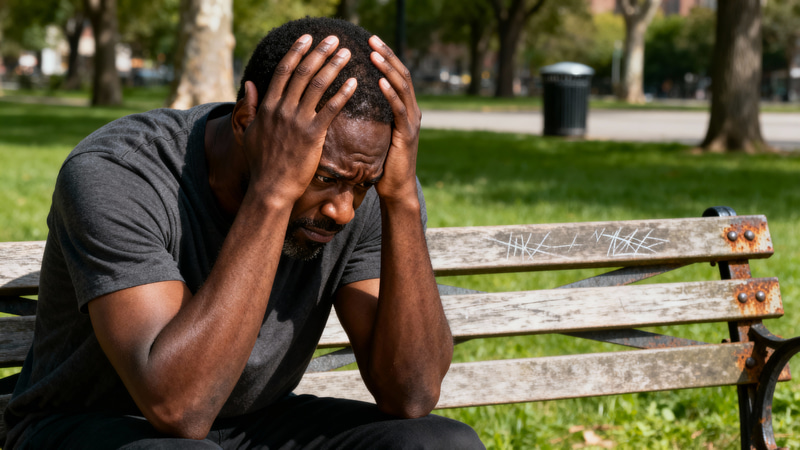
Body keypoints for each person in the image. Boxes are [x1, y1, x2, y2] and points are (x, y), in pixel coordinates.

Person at [4, 17, 485, 449]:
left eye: (363, 184)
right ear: (245, 121)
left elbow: (411, 393)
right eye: (324, 177)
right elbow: (178, 409)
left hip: (251, 422)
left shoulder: (368, 184)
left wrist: (400, 199)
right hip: (92, 425)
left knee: (442, 443)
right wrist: (274, 193)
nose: (343, 210)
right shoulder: (117, 173)